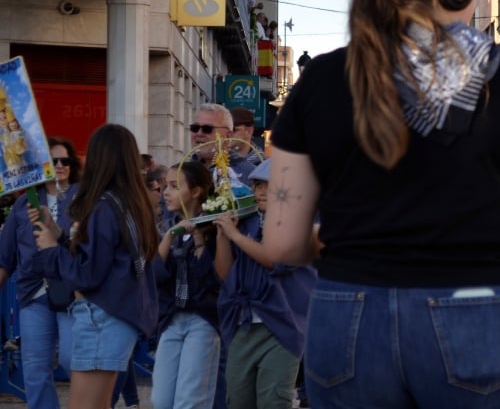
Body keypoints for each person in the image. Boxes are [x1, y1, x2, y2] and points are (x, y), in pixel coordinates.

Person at [262, 0, 500, 408]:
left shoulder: (322, 79)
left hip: (349, 312)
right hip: (482, 306)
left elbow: (283, 243)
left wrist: (340, 240)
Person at [29, 124, 159, 409]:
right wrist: (59, 235)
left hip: (101, 315)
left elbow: (87, 274)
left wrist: (51, 250)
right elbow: (103, 259)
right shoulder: (130, 204)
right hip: (117, 314)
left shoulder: (105, 207)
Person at [214, 160, 313, 409]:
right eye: (258, 185)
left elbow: (275, 259)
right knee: (238, 400)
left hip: (283, 326)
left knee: (273, 400)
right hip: (244, 324)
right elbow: (225, 274)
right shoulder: (248, 221)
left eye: (270, 186)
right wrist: (223, 236)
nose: (261, 192)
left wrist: (236, 236)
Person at [0, 137, 81, 409]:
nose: (59, 165)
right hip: (33, 293)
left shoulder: (83, 197)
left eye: (65, 160)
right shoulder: (24, 204)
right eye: (52, 160)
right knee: (35, 367)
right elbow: (5, 257)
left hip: (72, 292)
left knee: (73, 358)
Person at [151, 161, 223, 409]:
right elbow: (154, 274)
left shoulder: (213, 226)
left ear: (196, 191)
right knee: (160, 400)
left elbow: (212, 278)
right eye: (165, 186)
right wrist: (170, 236)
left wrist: (200, 240)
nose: (166, 193)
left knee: (190, 399)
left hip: (202, 318)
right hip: (171, 317)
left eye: (174, 186)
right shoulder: (165, 226)